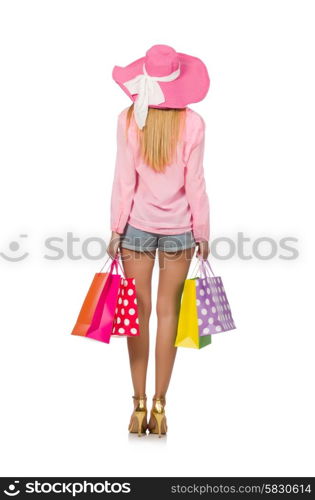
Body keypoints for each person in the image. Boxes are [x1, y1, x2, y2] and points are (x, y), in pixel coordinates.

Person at [107, 44, 210, 437]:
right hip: (180, 230)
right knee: (168, 312)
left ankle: (136, 407)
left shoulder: (128, 119)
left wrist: (117, 228)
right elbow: (195, 183)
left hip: (136, 227)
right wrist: (201, 231)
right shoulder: (194, 123)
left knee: (138, 313)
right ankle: (161, 408)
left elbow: (123, 180)